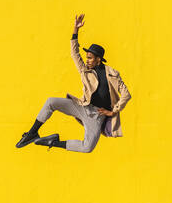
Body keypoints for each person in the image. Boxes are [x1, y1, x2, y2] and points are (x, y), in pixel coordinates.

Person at [15, 13, 132, 153]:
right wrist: (75, 30)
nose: (87, 60)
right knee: (51, 102)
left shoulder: (113, 74)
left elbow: (126, 94)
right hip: (82, 107)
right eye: (87, 57)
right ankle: (32, 133)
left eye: (90, 58)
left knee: (87, 147)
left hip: (96, 116)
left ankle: (53, 142)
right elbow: (74, 53)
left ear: (98, 59)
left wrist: (113, 111)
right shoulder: (85, 70)